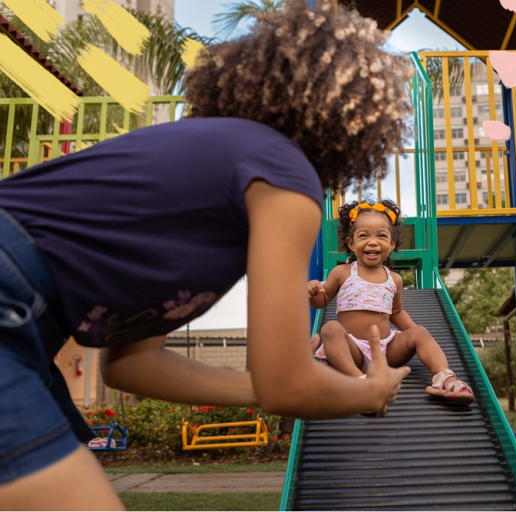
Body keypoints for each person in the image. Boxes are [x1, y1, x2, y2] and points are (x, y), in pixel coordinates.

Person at [0, 1, 413, 509]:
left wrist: (259, 387)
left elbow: (132, 365)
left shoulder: (208, 174)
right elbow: (287, 383)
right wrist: (371, 392)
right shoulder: (283, 170)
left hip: (28, 323)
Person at [308, 199, 474, 405]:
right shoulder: (341, 272)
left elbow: (396, 313)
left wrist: (418, 336)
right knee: (330, 329)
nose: (373, 242)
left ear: (392, 244)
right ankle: (359, 381)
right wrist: (315, 293)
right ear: (351, 243)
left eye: (381, 236)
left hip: (386, 351)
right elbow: (322, 301)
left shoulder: (394, 279)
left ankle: (445, 378)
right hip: (353, 351)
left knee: (420, 332)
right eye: (363, 236)